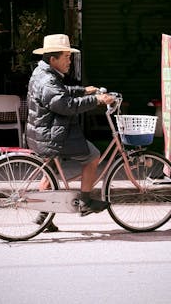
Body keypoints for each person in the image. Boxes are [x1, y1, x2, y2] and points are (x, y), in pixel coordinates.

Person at [26, 34, 115, 232]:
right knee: (93, 156)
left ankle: (43, 216)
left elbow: (61, 92)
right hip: (51, 135)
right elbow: (64, 105)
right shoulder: (48, 79)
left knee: (50, 172)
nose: (69, 61)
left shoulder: (44, 74)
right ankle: (85, 202)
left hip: (44, 132)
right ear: (53, 59)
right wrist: (97, 100)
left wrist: (83, 91)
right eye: (66, 57)